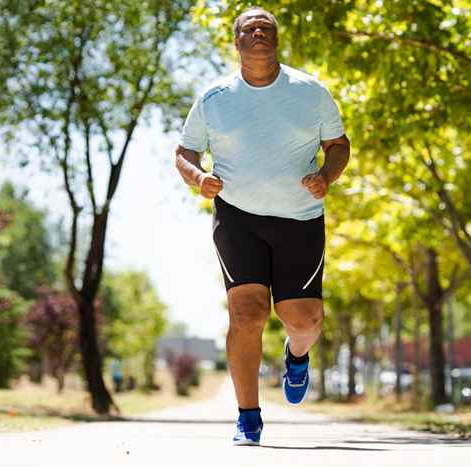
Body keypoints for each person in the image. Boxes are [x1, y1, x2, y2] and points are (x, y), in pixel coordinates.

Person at [175, 6, 350, 446]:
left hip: (299, 218)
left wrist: (326, 176)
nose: (257, 31)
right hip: (238, 216)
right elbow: (185, 151)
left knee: (303, 319)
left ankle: (297, 355)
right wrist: (199, 178)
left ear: (275, 39)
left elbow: (338, 145)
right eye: (249, 27)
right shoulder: (215, 98)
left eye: (265, 27)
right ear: (237, 42)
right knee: (246, 314)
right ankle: (248, 418)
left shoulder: (310, 92)